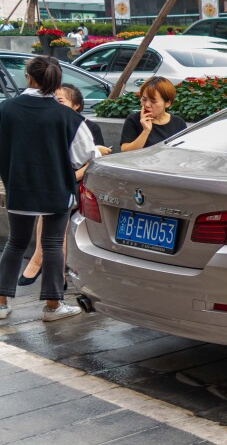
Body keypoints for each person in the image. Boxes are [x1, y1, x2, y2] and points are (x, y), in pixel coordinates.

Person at [0, 56, 99, 321]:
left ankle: (0, 303)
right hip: (56, 189)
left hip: (18, 188)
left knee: (16, 242)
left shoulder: (6, 109)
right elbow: (86, 154)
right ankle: (53, 306)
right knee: (53, 243)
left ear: (29, 77)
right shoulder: (67, 116)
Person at [17, 84, 111, 286]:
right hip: (59, 184)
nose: (55, 107)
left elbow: (93, 164)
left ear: (76, 105)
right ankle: (56, 278)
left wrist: (64, 178)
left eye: (61, 102)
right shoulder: (49, 126)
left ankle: (40, 260)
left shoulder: (88, 127)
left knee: (55, 203)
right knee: (55, 203)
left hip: (80, 186)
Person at [120, 77, 187, 151]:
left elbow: (184, 149)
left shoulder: (178, 123)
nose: (147, 105)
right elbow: (125, 151)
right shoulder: (133, 120)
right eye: (144, 99)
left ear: (167, 103)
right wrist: (145, 131)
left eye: (153, 101)